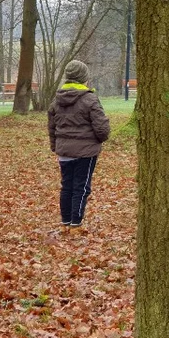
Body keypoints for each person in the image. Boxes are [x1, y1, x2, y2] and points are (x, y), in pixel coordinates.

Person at [47, 60, 111, 230]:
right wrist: (101, 138)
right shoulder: (90, 99)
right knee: (81, 187)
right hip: (86, 153)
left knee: (67, 186)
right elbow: (102, 128)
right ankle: (76, 223)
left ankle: (65, 221)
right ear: (84, 78)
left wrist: (56, 146)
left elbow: (52, 127)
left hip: (64, 152)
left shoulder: (56, 100)